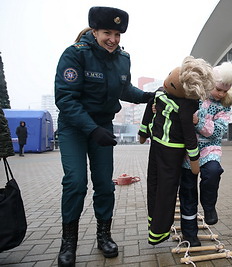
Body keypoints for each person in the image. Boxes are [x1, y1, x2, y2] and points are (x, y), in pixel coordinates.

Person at [54, 6, 154, 266]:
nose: (113, 39)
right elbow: (66, 99)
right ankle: (68, 243)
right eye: (107, 32)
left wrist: (148, 96)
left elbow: (124, 88)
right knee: (76, 182)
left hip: (102, 125)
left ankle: (104, 235)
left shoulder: (122, 58)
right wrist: (92, 129)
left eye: (118, 34)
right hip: (74, 127)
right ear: (94, 31)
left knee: (104, 184)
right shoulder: (75, 55)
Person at [138, 56, 215, 245]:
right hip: (156, 145)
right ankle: (153, 225)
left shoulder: (186, 106)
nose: (166, 83)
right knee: (153, 184)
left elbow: (189, 135)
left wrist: (194, 159)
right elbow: (149, 109)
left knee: (167, 190)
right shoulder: (159, 93)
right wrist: (143, 132)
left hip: (173, 152)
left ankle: (159, 231)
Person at [179, 62, 232, 247]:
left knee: (213, 171)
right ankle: (190, 234)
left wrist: (198, 122)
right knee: (188, 191)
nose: (221, 94)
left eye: (225, 91)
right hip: (187, 149)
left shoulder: (223, 106)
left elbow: (219, 131)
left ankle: (209, 206)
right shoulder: (193, 95)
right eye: (218, 89)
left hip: (210, 147)